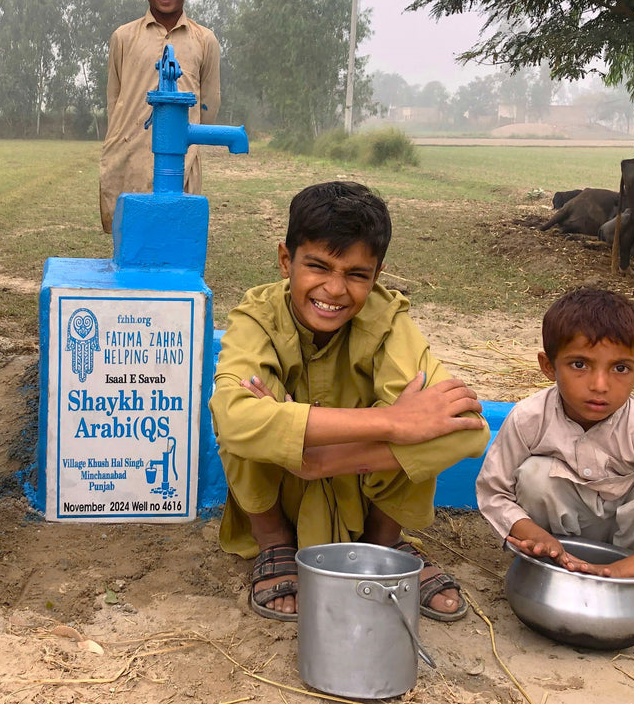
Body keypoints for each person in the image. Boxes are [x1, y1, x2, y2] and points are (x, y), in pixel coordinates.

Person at [209, 181, 489, 621]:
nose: (335, 289)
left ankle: (384, 544)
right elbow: (234, 418)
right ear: (286, 260)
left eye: (356, 274)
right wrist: (391, 424)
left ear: (376, 275)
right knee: (244, 421)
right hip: (284, 490)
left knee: (434, 426)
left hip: (357, 486)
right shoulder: (257, 318)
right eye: (318, 266)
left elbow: (471, 426)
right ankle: (274, 543)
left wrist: (320, 457)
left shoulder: (387, 320)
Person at [476, 288, 634, 634]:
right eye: (579, 364)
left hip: (629, 542)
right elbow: (492, 490)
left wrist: (628, 569)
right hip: (558, 537)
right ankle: (549, 570)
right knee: (534, 475)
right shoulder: (528, 417)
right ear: (548, 366)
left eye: (620, 368)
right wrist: (530, 532)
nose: (600, 385)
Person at [99, 0, 220, 233]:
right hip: (129, 161)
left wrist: (181, 142)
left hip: (181, 164)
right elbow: (115, 102)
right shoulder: (123, 38)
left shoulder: (204, 40)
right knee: (130, 246)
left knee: (175, 243)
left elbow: (209, 108)